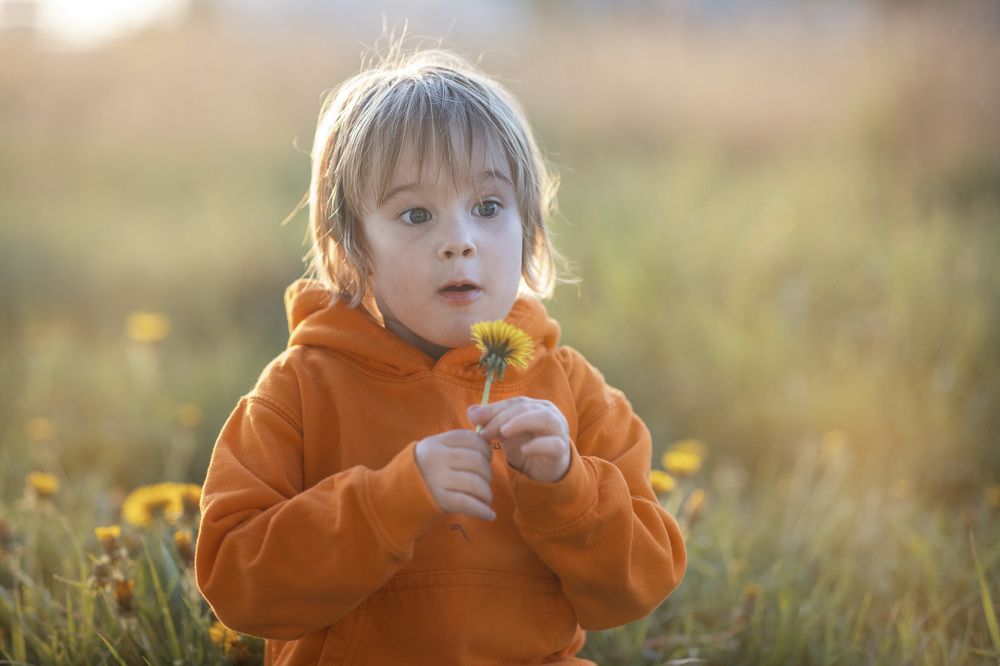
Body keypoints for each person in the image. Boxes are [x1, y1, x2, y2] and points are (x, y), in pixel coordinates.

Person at [194, 42, 686, 666]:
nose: (458, 241)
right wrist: (389, 501)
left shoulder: (572, 391)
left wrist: (568, 486)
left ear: (530, 232)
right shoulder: (300, 388)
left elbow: (637, 587)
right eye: (416, 214)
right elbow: (238, 586)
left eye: (487, 207)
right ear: (351, 252)